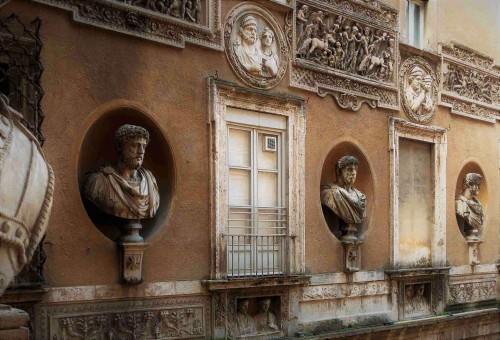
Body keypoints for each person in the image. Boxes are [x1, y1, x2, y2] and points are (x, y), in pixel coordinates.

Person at [83, 124, 160, 220]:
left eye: (144, 146)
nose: (141, 151)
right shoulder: (98, 181)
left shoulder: (150, 181)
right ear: (119, 146)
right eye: (135, 145)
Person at [321, 156, 366, 241]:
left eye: (355, 169)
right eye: (349, 169)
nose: (353, 173)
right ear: (339, 171)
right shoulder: (329, 193)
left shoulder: (360, 197)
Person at [456, 173, 484, 240]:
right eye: (478, 184)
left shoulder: (478, 204)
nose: (479, 187)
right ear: (469, 184)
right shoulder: (459, 203)